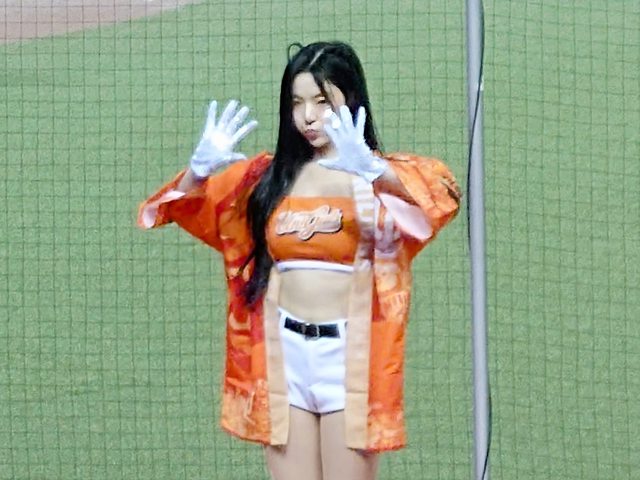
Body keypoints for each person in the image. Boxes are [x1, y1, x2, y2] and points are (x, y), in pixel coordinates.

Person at [138, 41, 461, 480]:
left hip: (350, 359)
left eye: (322, 102)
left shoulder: (377, 177)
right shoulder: (264, 179)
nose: (308, 116)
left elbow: (441, 195)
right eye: (297, 103)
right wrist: (197, 171)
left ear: (351, 100)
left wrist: (373, 171)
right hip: (283, 358)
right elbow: (179, 207)